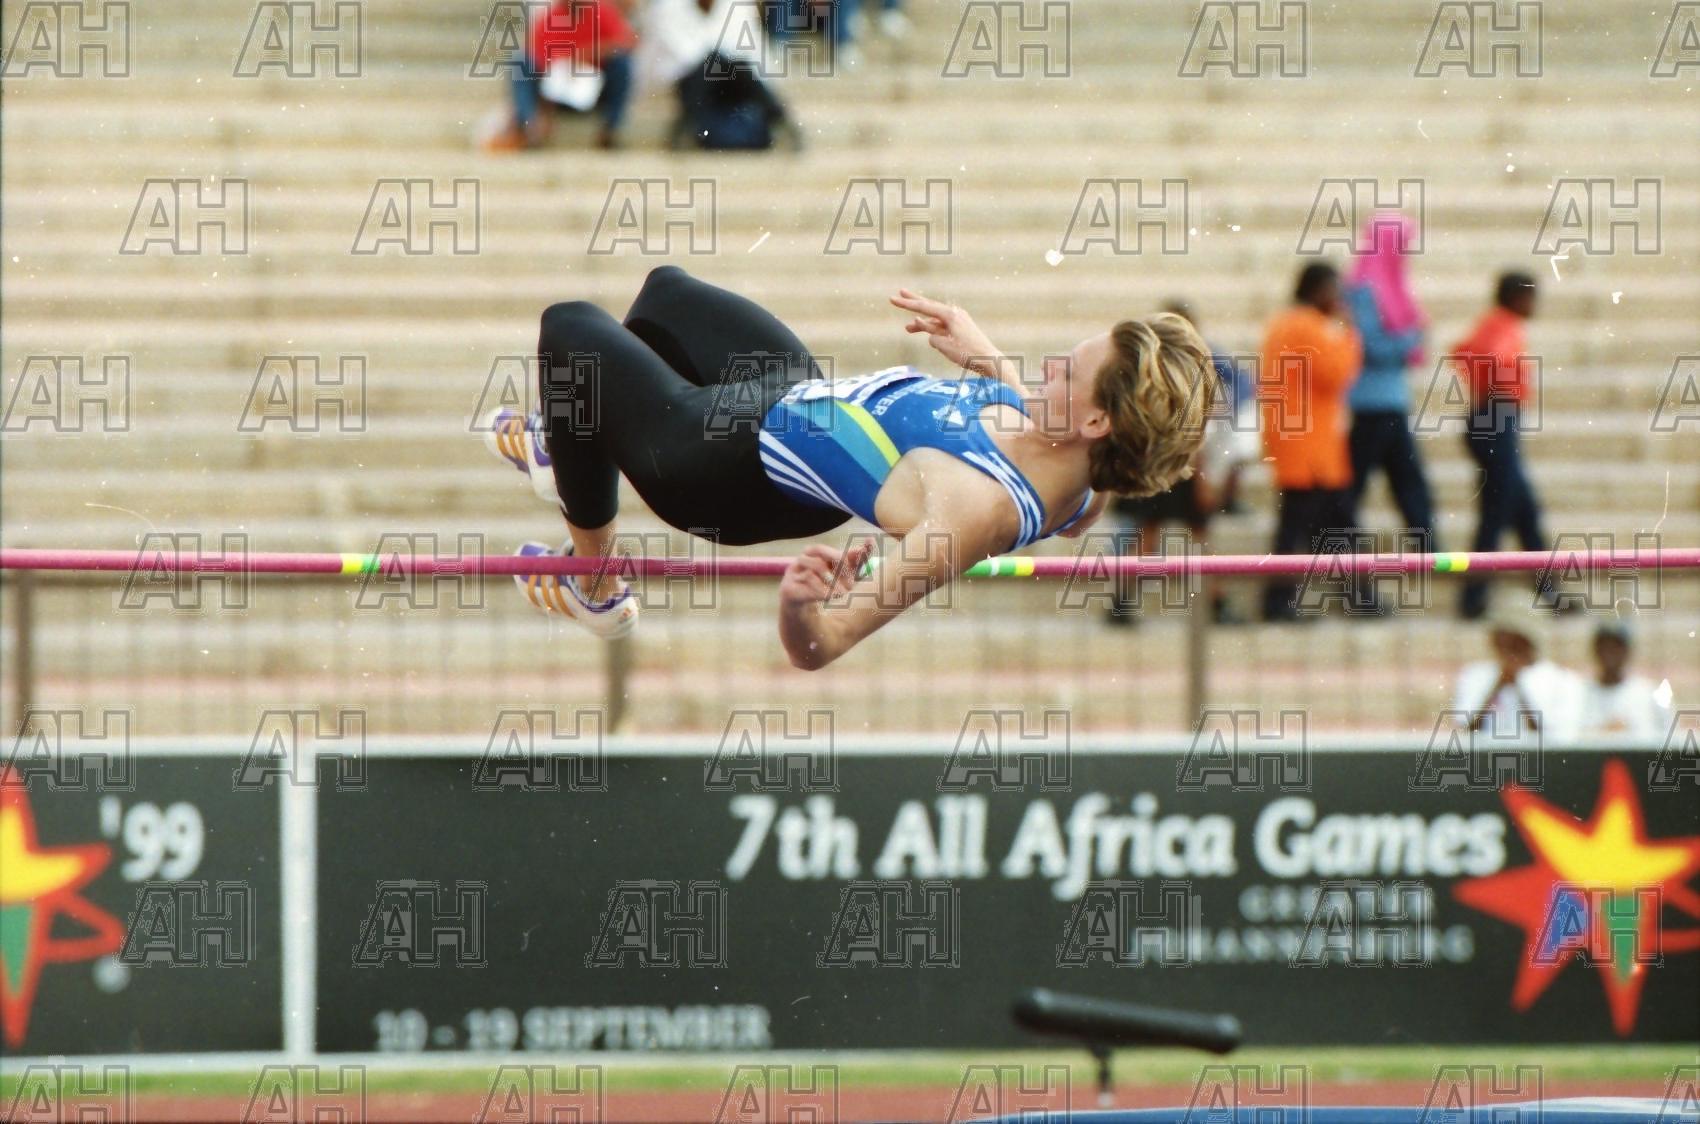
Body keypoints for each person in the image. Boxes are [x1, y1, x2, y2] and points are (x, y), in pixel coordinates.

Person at [482, 266, 1217, 668]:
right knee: (665, 297)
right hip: (790, 395)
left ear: (1097, 423)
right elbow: (1073, 503)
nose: (1049, 367)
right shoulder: (1081, 480)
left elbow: (826, 644)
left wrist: (801, 607)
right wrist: (990, 359)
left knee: (571, 329)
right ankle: (574, 451)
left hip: (719, 463)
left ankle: (593, 581)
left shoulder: (975, 510)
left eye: (1068, 371)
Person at [1106, 300, 1253, 626]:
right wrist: (1201, 477)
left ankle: (1123, 602)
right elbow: (1192, 432)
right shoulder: (1187, 372)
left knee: (1152, 534)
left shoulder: (1146, 368)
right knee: (1185, 536)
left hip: (1153, 461)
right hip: (1177, 463)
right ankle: (1215, 603)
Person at [1258, 262, 1365, 622]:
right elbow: (1337, 374)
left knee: (1326, 526)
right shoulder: (1308, 326)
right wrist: (1350, 333)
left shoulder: (1284, 323)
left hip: (1298, 441)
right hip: (1311, 448)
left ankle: (1351, 596)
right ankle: (1282, 601)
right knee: (1312, 528)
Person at [1454, 271, 1562, 618]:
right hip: (1497, 418)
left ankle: (1545, 588)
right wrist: (1497, 387)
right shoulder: (1504, 326)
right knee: (1500, 512)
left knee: (1519, 509)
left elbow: (1462, 352)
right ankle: (1476, 597)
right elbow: (1489, 357)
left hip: (1492, 417)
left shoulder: (1493, 323)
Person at [1344, 211, 1437, 554]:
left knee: (1409, 484)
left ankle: (1428, 551)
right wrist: (1413, 338)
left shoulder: (1392, 284)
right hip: (1372, 402)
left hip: (1390, 400)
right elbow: (1371, 346)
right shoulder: (1363, 289)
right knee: (1361, 488)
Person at [641, 0, 803, 150]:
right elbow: (678, 53)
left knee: (737, 66)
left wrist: (721, 57)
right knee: (712, 64)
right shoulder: (668, 6)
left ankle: (778, 118)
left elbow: (750, 50)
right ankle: (688, 123)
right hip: (689, 78)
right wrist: (715, 56)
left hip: (729, 77)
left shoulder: (738, 5)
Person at [485, 0, 638, 152]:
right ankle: (530, 126)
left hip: (596, 89)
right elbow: (535, 53)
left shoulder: (602, 13)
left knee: (622, 64)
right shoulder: (550, 16)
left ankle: (610, 129)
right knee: (520, 61)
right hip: (555, 93)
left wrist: (588, 54)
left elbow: (627, 42)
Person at [1452, 610, 1582, 745]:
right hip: (1485, 754)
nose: (1506, 645)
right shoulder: (1474, 674)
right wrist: (1497, 686)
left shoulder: (1560, 679)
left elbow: (1554, 738)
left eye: (1514, 641)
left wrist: (1518, 686)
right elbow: (1466, 730)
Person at [1578, 621, 1672, 740]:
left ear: (1627, 651)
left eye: (1616, 647)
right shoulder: (1580, 695)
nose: (1609, 652)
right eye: (1604, 646)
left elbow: (1670, 738)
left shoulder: (1650, 694)